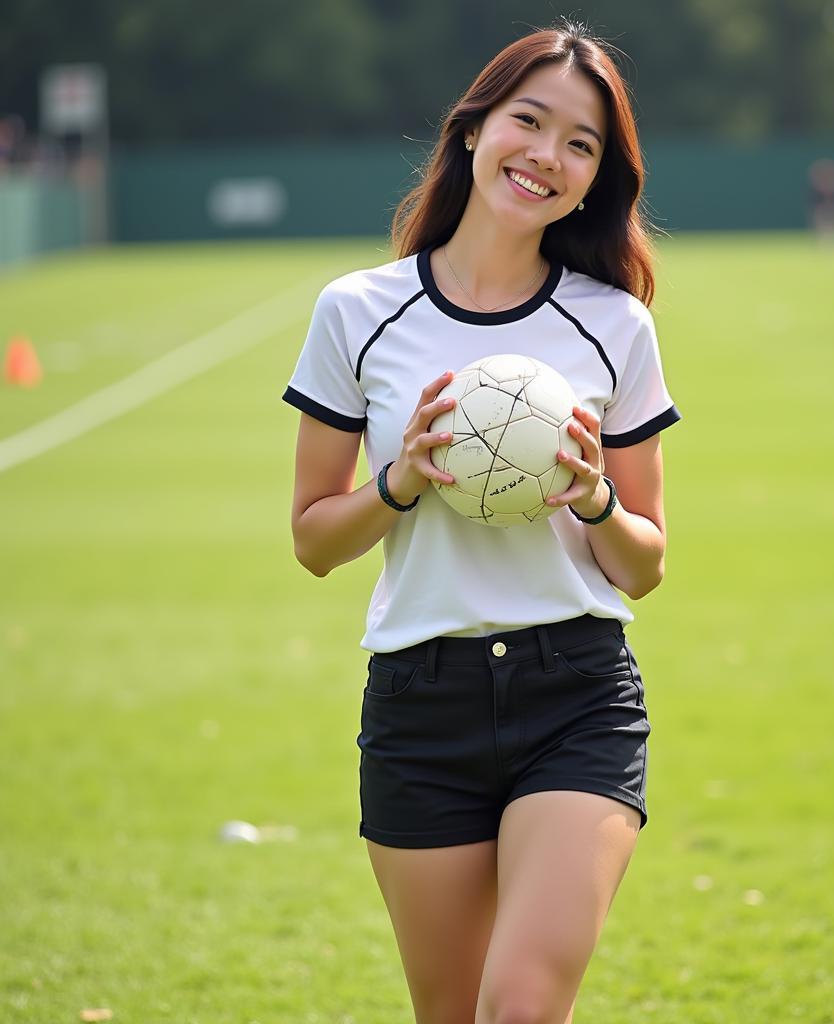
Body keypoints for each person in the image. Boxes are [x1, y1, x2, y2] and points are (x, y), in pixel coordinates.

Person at [282, 20, 680, 1024]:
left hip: (575, 694)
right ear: (472, 132)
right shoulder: (356, 312)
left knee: (521, 1007)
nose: (547, 155)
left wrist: (594, 499)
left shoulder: (614, 324)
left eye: (580, 143)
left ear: (596, 182)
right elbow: (313, 539)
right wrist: (401, 480)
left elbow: (645, 563)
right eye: (528, 121)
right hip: (423, 704)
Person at [807, 157, 834, 243]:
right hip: (822, 209)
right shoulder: (817, 188)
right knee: (821, 223)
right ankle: (822, 240)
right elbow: (813, 202)